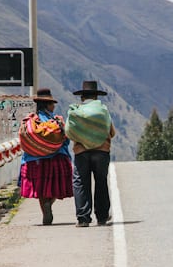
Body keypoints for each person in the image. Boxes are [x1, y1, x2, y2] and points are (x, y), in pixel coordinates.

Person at [19, 88, 73, 225]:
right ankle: (50, 202)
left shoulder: (31, 120)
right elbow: (66, 139)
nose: (53, 106)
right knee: (56, 185)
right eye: (51, 104)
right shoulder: (56, 120)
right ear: (47, 105)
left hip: (34, 160)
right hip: (56, 157)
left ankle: (45, 210)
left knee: (40, 187)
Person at [70, 81, 116, 227]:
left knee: (81, 182)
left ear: (82, 97)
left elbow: (69, 132)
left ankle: (83, 218)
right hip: (101, 152)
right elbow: (112, 132)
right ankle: (102, 217)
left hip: (81, 152)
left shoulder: (76, 112)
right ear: (96, 96)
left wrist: (83, 138)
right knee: (101, 182)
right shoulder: (103, 111)